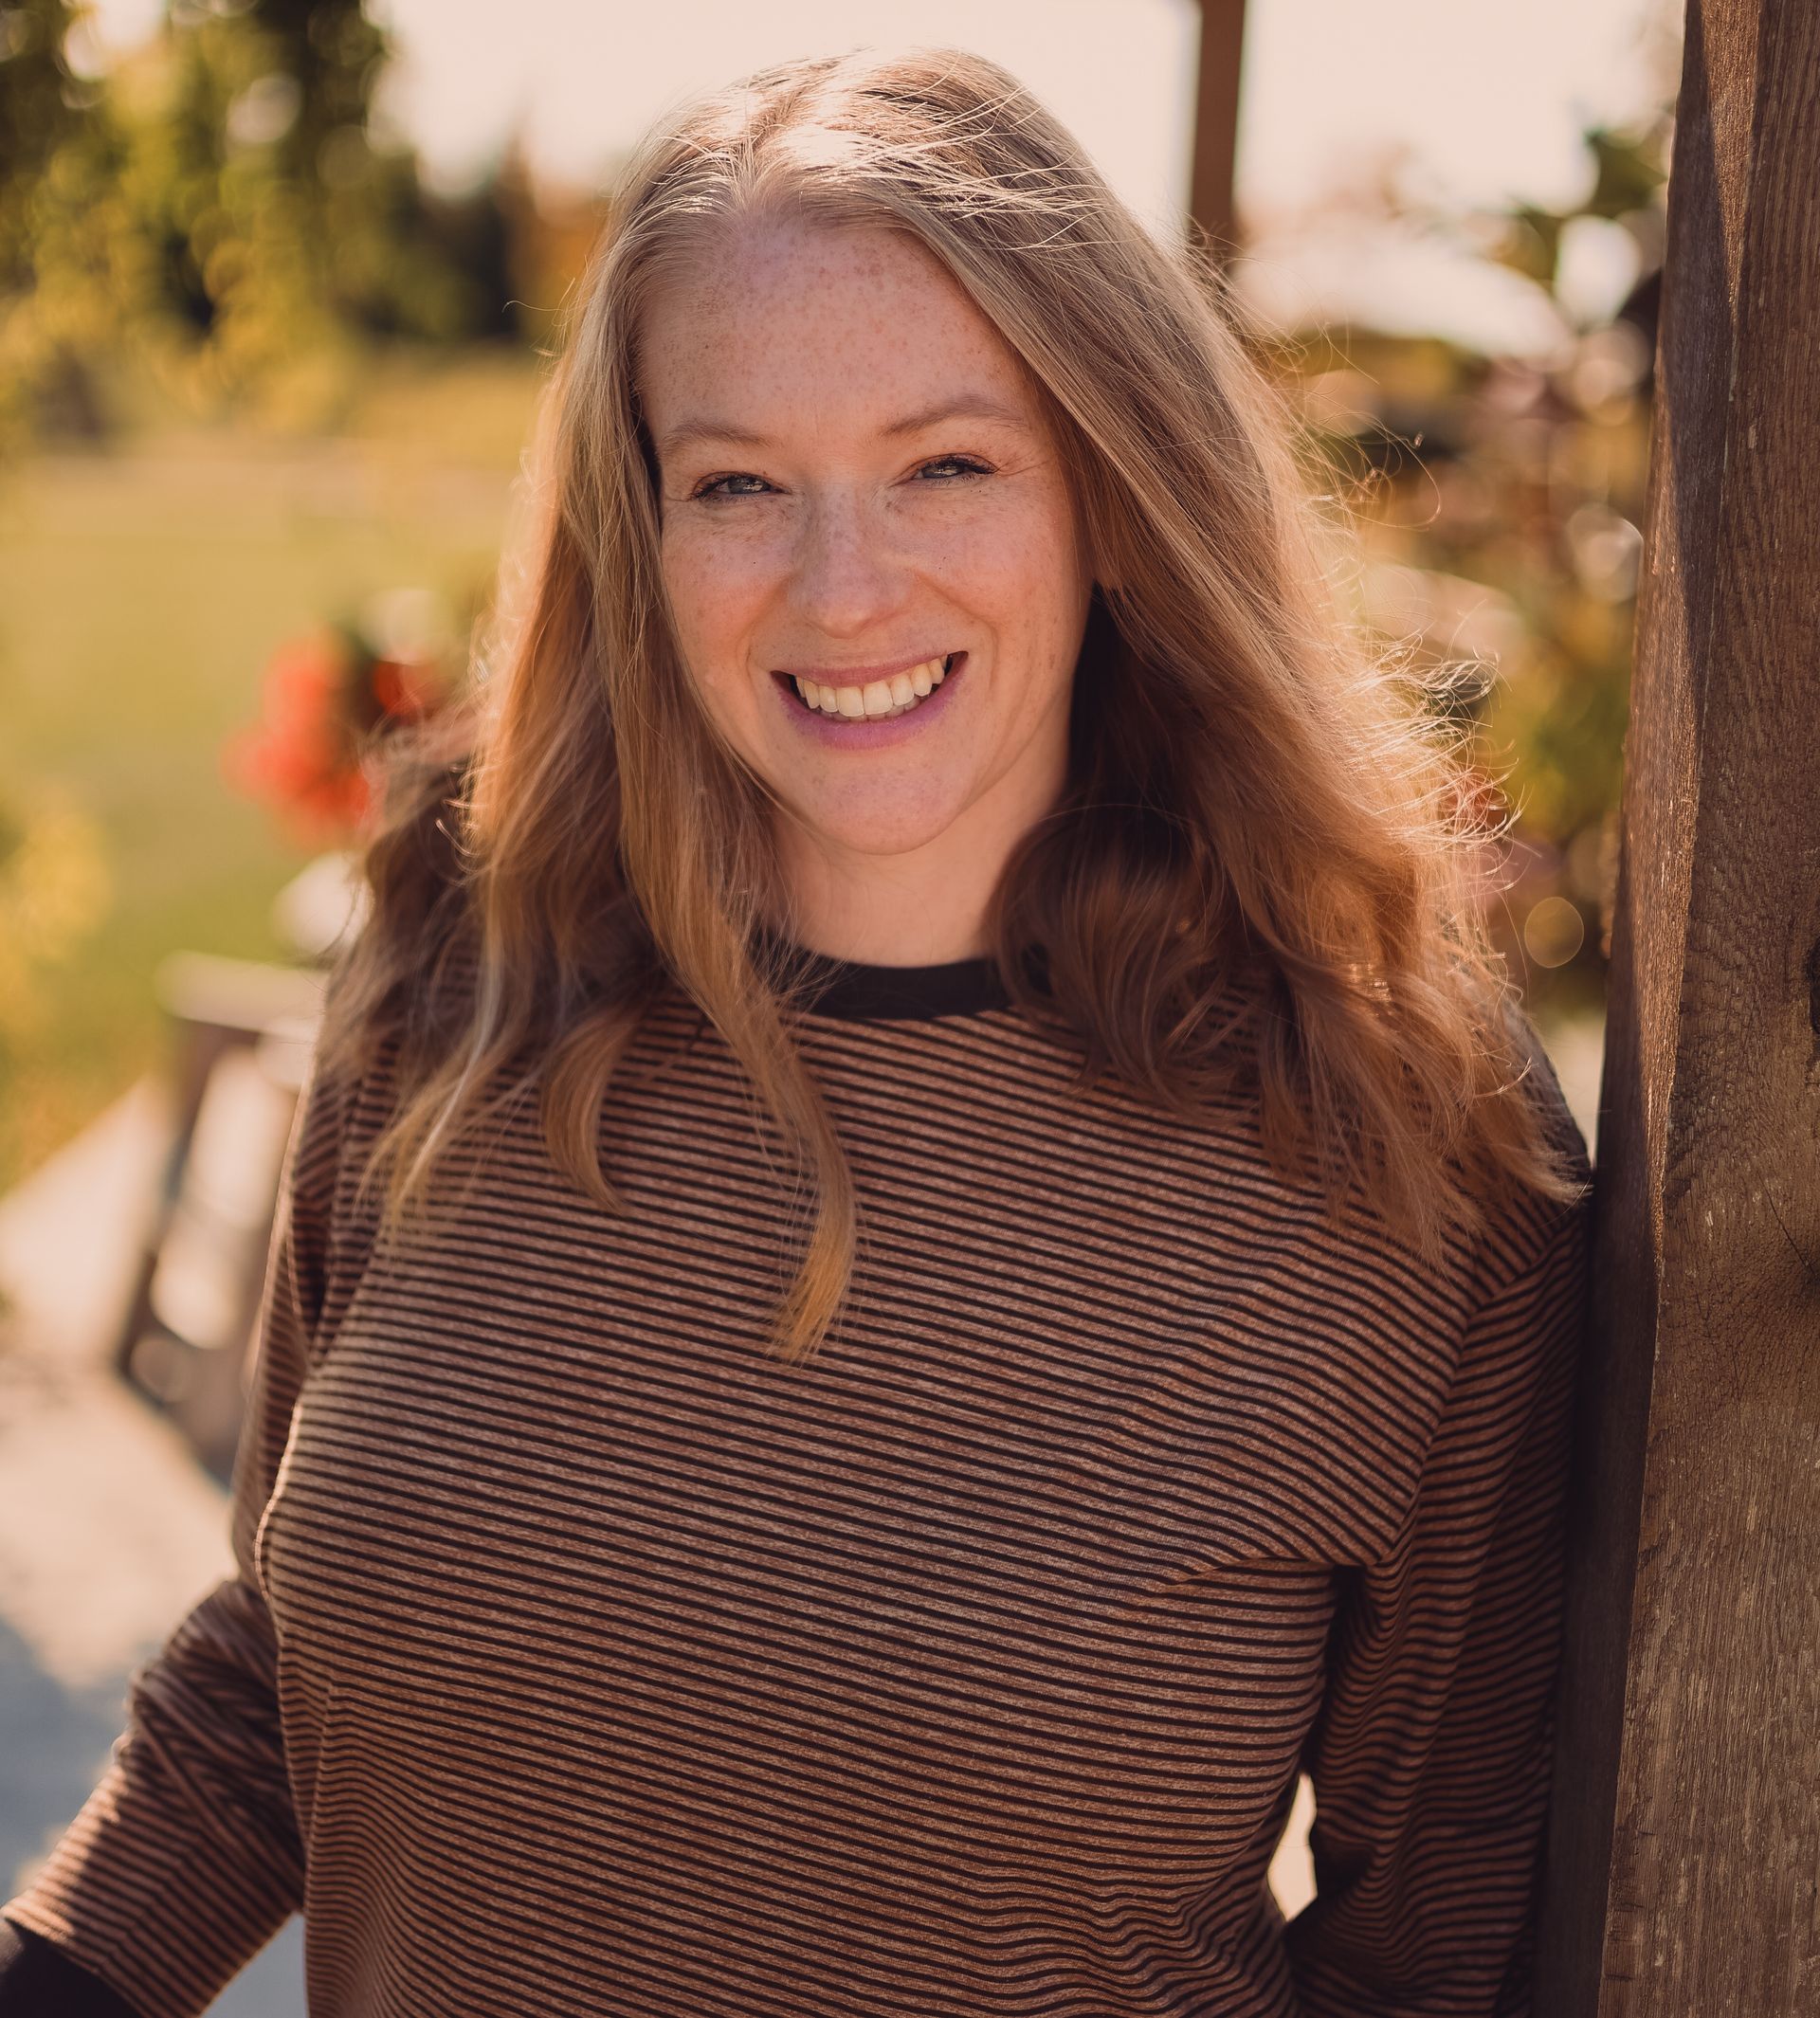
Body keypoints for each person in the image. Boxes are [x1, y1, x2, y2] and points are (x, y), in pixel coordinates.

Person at [0, 45, 1594, 2018]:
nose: (847, 591)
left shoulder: (1400, 1136)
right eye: (740, 485)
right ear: (639, 535)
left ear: (1110, 492)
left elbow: (1430, 1938)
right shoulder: (466, 963)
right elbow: (288, 1673)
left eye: (947, 462)